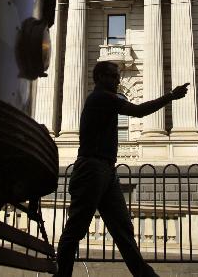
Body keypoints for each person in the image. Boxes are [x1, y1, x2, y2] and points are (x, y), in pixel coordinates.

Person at [53, 60, 189, 277]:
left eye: (117, 76)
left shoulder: (104, 99)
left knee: (123, 229)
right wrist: (170, 96)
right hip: (92, 169)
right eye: (113, 76)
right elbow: (139, 111)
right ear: (100, 78)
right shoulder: (101, 98)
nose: (117, 80)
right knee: (76, 229)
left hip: (106, 171)